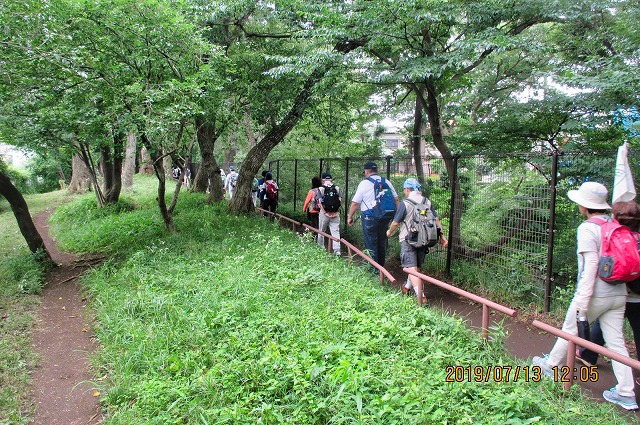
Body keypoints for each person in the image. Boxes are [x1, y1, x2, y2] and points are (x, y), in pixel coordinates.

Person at [532, 182, 637, 411]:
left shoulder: (588, 228)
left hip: (595, 294)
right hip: (619, 292)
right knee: (617, 343)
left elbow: (590, 267)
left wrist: (582, 300)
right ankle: (626, 392)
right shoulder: (614, 223)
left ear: (584, 205)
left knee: (569, 330)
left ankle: (549, 366)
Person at [576, 201, 640, 372]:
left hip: (618, 291)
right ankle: (629, 386)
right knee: (620, 337)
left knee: (584, 327)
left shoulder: (614, 235)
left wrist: (584, 295)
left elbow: (598, 265)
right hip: (632, 297)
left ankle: (579, 357)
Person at [386, 178, 448, 303]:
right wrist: (442, 235)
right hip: (424, 238)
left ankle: (421, 296)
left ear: (408, 189)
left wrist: (389, 232)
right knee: (415, 268)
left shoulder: (406, 203)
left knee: (410, 268)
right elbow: (436, 220)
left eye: (404, 190)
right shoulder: (427, 201)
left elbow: (396, 222)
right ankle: (407, 288)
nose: (404, 192)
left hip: (408, 239)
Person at [347, 161, 399, 267]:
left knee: (371, 243)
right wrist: (398, 216)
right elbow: (396, 199)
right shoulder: (386, 181)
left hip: (369, 217)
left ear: (366, 171)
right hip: (385, 216)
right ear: (377, 170)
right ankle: (381, 268)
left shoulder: (364, 183)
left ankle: (373, 271)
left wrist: (350, 217)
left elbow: (355, 203)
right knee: (381, 242)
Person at [316, 173, 342, 256]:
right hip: (335, 214)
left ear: (322, 179)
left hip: (324, 214)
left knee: (321, 231)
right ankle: (337, 250)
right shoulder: (337, 188)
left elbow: (319, 203)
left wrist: (324, 212)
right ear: (331, 179)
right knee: (335, 232)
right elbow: (340, 201)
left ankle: (321, 248)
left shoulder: (320, 188)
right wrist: (336, 212)